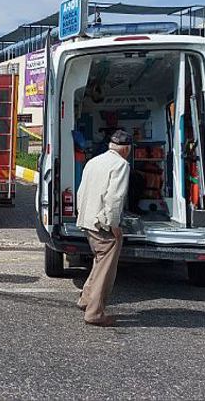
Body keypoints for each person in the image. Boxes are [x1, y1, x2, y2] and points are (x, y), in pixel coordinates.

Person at [76, 129, 132, 327]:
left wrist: (82, 215)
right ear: (126, 149)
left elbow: (81, 191)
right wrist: (113, 224)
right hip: (102, 222)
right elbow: (114, 198)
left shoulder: (94, 161)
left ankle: (85, 299)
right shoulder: (121, 165)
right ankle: (95, 312)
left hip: (87, 219)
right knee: (106, 267)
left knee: (99, 260)